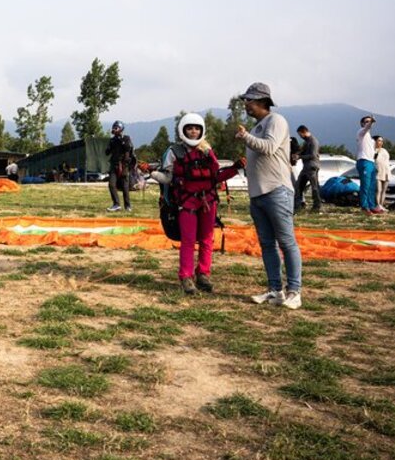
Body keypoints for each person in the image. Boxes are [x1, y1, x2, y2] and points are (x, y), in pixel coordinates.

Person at [150, 113, 241, 295]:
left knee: (207, 239)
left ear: (202, 130)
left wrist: (235, 168)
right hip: (187, 203)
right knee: (189, 240)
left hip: (208, 201)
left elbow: (216, 176)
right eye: (190, 128)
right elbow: (167, 178)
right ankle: (186, 277)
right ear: (183, 130)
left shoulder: (207, 151)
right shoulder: (174, 152)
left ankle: (203, 275)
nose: (193, 131)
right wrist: (151, 172)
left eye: (197, 128)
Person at [235, 82, 303, 309]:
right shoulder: (255, 127)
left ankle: (295, 291)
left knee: (286, 241)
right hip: (258, 195)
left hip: (277, 191)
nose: (246, 104)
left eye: (250, 100)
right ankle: (276, 290)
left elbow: (270, 147)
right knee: (267, 244)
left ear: (263, 101)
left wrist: (246, 138)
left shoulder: (277, 121)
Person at [354, 115, 384, 214]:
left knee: (372, 186)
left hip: (370, 162)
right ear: (362, 124)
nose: (368, 123)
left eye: (369, 121)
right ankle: (364, 206)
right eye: (366, 121)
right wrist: (371, 122)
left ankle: (372, 206)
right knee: (365, 185)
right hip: (363, 161)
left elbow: (372, 152)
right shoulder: (361, 132)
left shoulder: (371, 139)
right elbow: (367, 128)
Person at [106, 121, 136, 212]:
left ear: (121, 128)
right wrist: (109, 146)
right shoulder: (112, 140)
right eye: (114, 127)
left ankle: (127, 206)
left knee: (125, 186)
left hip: (124, 165)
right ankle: (116, 204)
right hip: (113, 165)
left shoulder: (126, 138)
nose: (115, 129)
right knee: (111, 184)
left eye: (116, 127)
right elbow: (107, 152)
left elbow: (128, 150)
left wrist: (125, 166)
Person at [294, 125, 322, 213]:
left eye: (300, 135)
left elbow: (313, 155)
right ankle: (298, 206)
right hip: (306, 167)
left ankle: (317, 206)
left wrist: (299, 157)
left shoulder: (313, 141)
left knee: (314, 187)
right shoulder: (307, 141)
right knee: (299, 186)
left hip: (312, 166)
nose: (300, 137)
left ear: (303, 132)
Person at [373, 136, 391, 212]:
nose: (381, 142)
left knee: (384, 190)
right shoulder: (373, 150)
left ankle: (382, 205)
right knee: (378, 190)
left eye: (382, 141)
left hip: (386, 171)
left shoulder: (384, 150)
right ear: (375, 141)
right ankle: (378, 205)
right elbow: (373, 160)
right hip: (378, 172)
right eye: (379, 140)